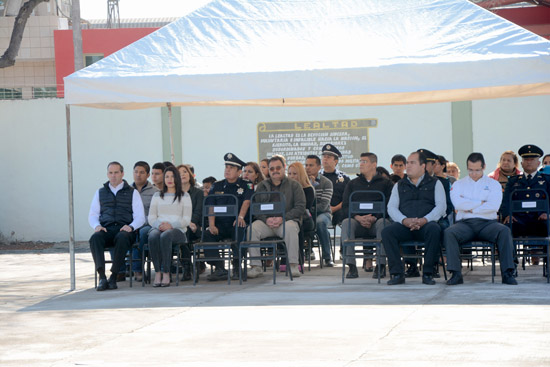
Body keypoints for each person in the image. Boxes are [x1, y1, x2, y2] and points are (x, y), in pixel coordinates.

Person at [444, 152, 517, 285]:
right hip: (465, 224)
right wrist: (482, 203)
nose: (474, 173)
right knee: (449, 232)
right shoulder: (459, 184)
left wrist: (470, 207)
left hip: (488, 223)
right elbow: (458, 204)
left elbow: (494, 206)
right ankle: (455, 274)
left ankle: (507, 273)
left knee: (504, 231)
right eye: (470, 170)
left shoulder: (494, 184)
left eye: (477, 170)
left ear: (483, 167)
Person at [382, 151, 447, 285]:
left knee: (435, 229)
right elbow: (392, 208)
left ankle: (428, 273)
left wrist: (425, 220)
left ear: (423, 166)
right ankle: (397, 273)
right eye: (408, 163)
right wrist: (404, 220)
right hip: (405, 225)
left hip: (426, 224)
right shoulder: (399, 184)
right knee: (387, 232)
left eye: (412, 163)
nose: (408, 166)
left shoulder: (435, 183)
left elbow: (441, 207)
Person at [88, 162, 145, 291]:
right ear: (107, 174)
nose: (113, 176)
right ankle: (102, 277)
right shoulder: (100, 192)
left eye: (116, 172)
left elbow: (140, 217)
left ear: (122, 173)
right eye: (110, 173)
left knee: (122, 238)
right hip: (106, 229)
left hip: (125, 229)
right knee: (95, 238)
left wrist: (131, 226)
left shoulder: (132, 192)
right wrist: (97, 226)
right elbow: (93, 214)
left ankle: (114, 277)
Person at [248, 155, 306, 278]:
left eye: (278, 168)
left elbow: (300, 207)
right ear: (268, 170)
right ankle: (256, 266)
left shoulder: (294, 185)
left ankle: (293, 265)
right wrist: (266, 219)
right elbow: (256, 208)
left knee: (291, 228)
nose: (275, 171)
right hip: (266, 223)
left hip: (286, 221)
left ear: (284, 168)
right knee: (251, 229)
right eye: (272, 168)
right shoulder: (262, 186)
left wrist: (283, 218)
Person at [341, 153, 393, 279]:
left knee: (383, 223)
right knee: (346, 223)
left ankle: (380, 266)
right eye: (360, 161)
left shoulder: (386, 184)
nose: (361, 164)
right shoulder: (353, 184)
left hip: (377, 222)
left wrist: (374, 217)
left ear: (374, 164)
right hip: (358, 222)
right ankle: (351, 266)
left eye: (364, 161)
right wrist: (357, 217)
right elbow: (345, 206)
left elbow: (390, 206)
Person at [202, 153, 253, 281]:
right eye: (226, 167)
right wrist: (212, 225)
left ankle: (236, 265)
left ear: (239, 171)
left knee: (239, 229)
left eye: (231, 168)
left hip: (235, 222)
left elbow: (247, 201)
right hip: (220, 225)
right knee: (207, 234)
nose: (227, 170)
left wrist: (240, 217)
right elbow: (211, 206)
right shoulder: (217, 185)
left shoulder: (246, 185)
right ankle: (220, 268)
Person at [147, 166, 192, 287]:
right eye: (167, 176)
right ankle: (158, 272)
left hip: (177, 231)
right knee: (152, 236)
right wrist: (160, 225)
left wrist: (171, 225)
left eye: (172, 176)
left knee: (166, 236)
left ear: (176, 178)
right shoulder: (157, 196)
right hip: (159, 227)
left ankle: (166, 272)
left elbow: (186, 220)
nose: (169, 179)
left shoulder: (185, 196)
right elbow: (151, 218)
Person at [502, 145, 550, 238]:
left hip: (539, 219)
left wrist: (548, 214)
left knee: (546, 225)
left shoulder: (547, 180)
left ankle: (538, 252)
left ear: (538, 163)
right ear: (521, 163)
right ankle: (511, 253)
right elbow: (506, 200)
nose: (529, 162)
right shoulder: (513, 181)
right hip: (518, 220)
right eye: (526, 159)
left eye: (532, 159)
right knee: (506, 228)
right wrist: (508, 215)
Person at [131, 161, 159, 282]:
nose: (138, 175)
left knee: (142, 233)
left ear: (148, 175)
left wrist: (141, 223)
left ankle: (137, 269)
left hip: (148, 224)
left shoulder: (155, 192)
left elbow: (157, 213)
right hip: (131, 225)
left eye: (142, 172)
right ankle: (122, 270)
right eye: (136, 172)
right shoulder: (128, 191)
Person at [305, 154, 334, 265]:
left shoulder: (326, 182)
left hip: (323, 213)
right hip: (307, 213)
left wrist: (313, 187)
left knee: (320, 222)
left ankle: (327, 257)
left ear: (319, 167)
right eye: (306, 165)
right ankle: (305, 252)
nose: (307, 168)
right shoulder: (300, 182)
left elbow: (323, 205)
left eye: (311, 165)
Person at [178, 164, 204, 280]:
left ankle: (187, 267)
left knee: (186, 231)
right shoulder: (174, 193)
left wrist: (191, 222)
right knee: (183, 231)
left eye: (185, 172)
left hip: (195, 227)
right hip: (179, 226)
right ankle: (187, 266)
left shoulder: (198, 193)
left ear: (190, 175)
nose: (182, 174)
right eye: (179, 173)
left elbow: (198, 212)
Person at [288, 162, 315, 268]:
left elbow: (304, 207)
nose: (291, 176)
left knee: (297, 225)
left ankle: (299, 258)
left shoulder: (308, 189)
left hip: (305, 218)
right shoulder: (285, 189)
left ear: (301, 174)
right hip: (290, 217)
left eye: (294, 174)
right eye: (289, 174)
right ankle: (285, 257)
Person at [321, 144, 350, 227]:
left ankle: (343, 240)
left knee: (346, 218)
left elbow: (347, 198)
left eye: (329, 157)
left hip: (339, 211)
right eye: (324, 156)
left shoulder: (344, 178)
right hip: (321, 210)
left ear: (335, 161)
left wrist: (334, 208)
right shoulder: (317, 177)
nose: (325, 159)